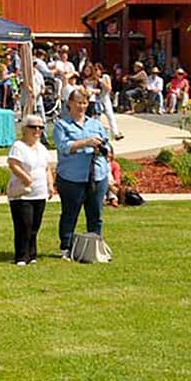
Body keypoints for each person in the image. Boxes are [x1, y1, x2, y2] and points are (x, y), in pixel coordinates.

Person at [53, 89, 110, 260]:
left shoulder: (95, 124)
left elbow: (107, 144)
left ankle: (94, 248)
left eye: (85, 103)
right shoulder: (61, 125)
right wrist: (86, 142)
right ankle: (66, 248)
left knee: (96, 215)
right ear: (69, 103)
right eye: (78, 102)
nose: (82, 106)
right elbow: (64, 147)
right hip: (72, 177)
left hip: (97, 175)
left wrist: (102, 148)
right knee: (70, 214)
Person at [7, 114, 53, 265]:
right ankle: (21, 256)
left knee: (35, 226)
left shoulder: (42, 148)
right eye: (33, 127)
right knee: (23, 225)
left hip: (39, 193)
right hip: (22, 194)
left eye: (40, 127)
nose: (37, 130)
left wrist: (50, 185)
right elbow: (13, 164)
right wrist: (26, 178)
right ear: (25, 129)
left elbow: (47, 168)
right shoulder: (18, 147)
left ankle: (32, 255)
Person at [95, 63, 123, 140]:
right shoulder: (92, 78)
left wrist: (100, 81)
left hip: (105, 98)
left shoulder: (105, 77)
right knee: (97, 117)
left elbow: (109, 88)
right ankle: (98, 134)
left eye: (97, 70)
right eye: (94, 70)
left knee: (110, 116)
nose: (96, 72)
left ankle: (115, 133)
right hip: (97, 99)